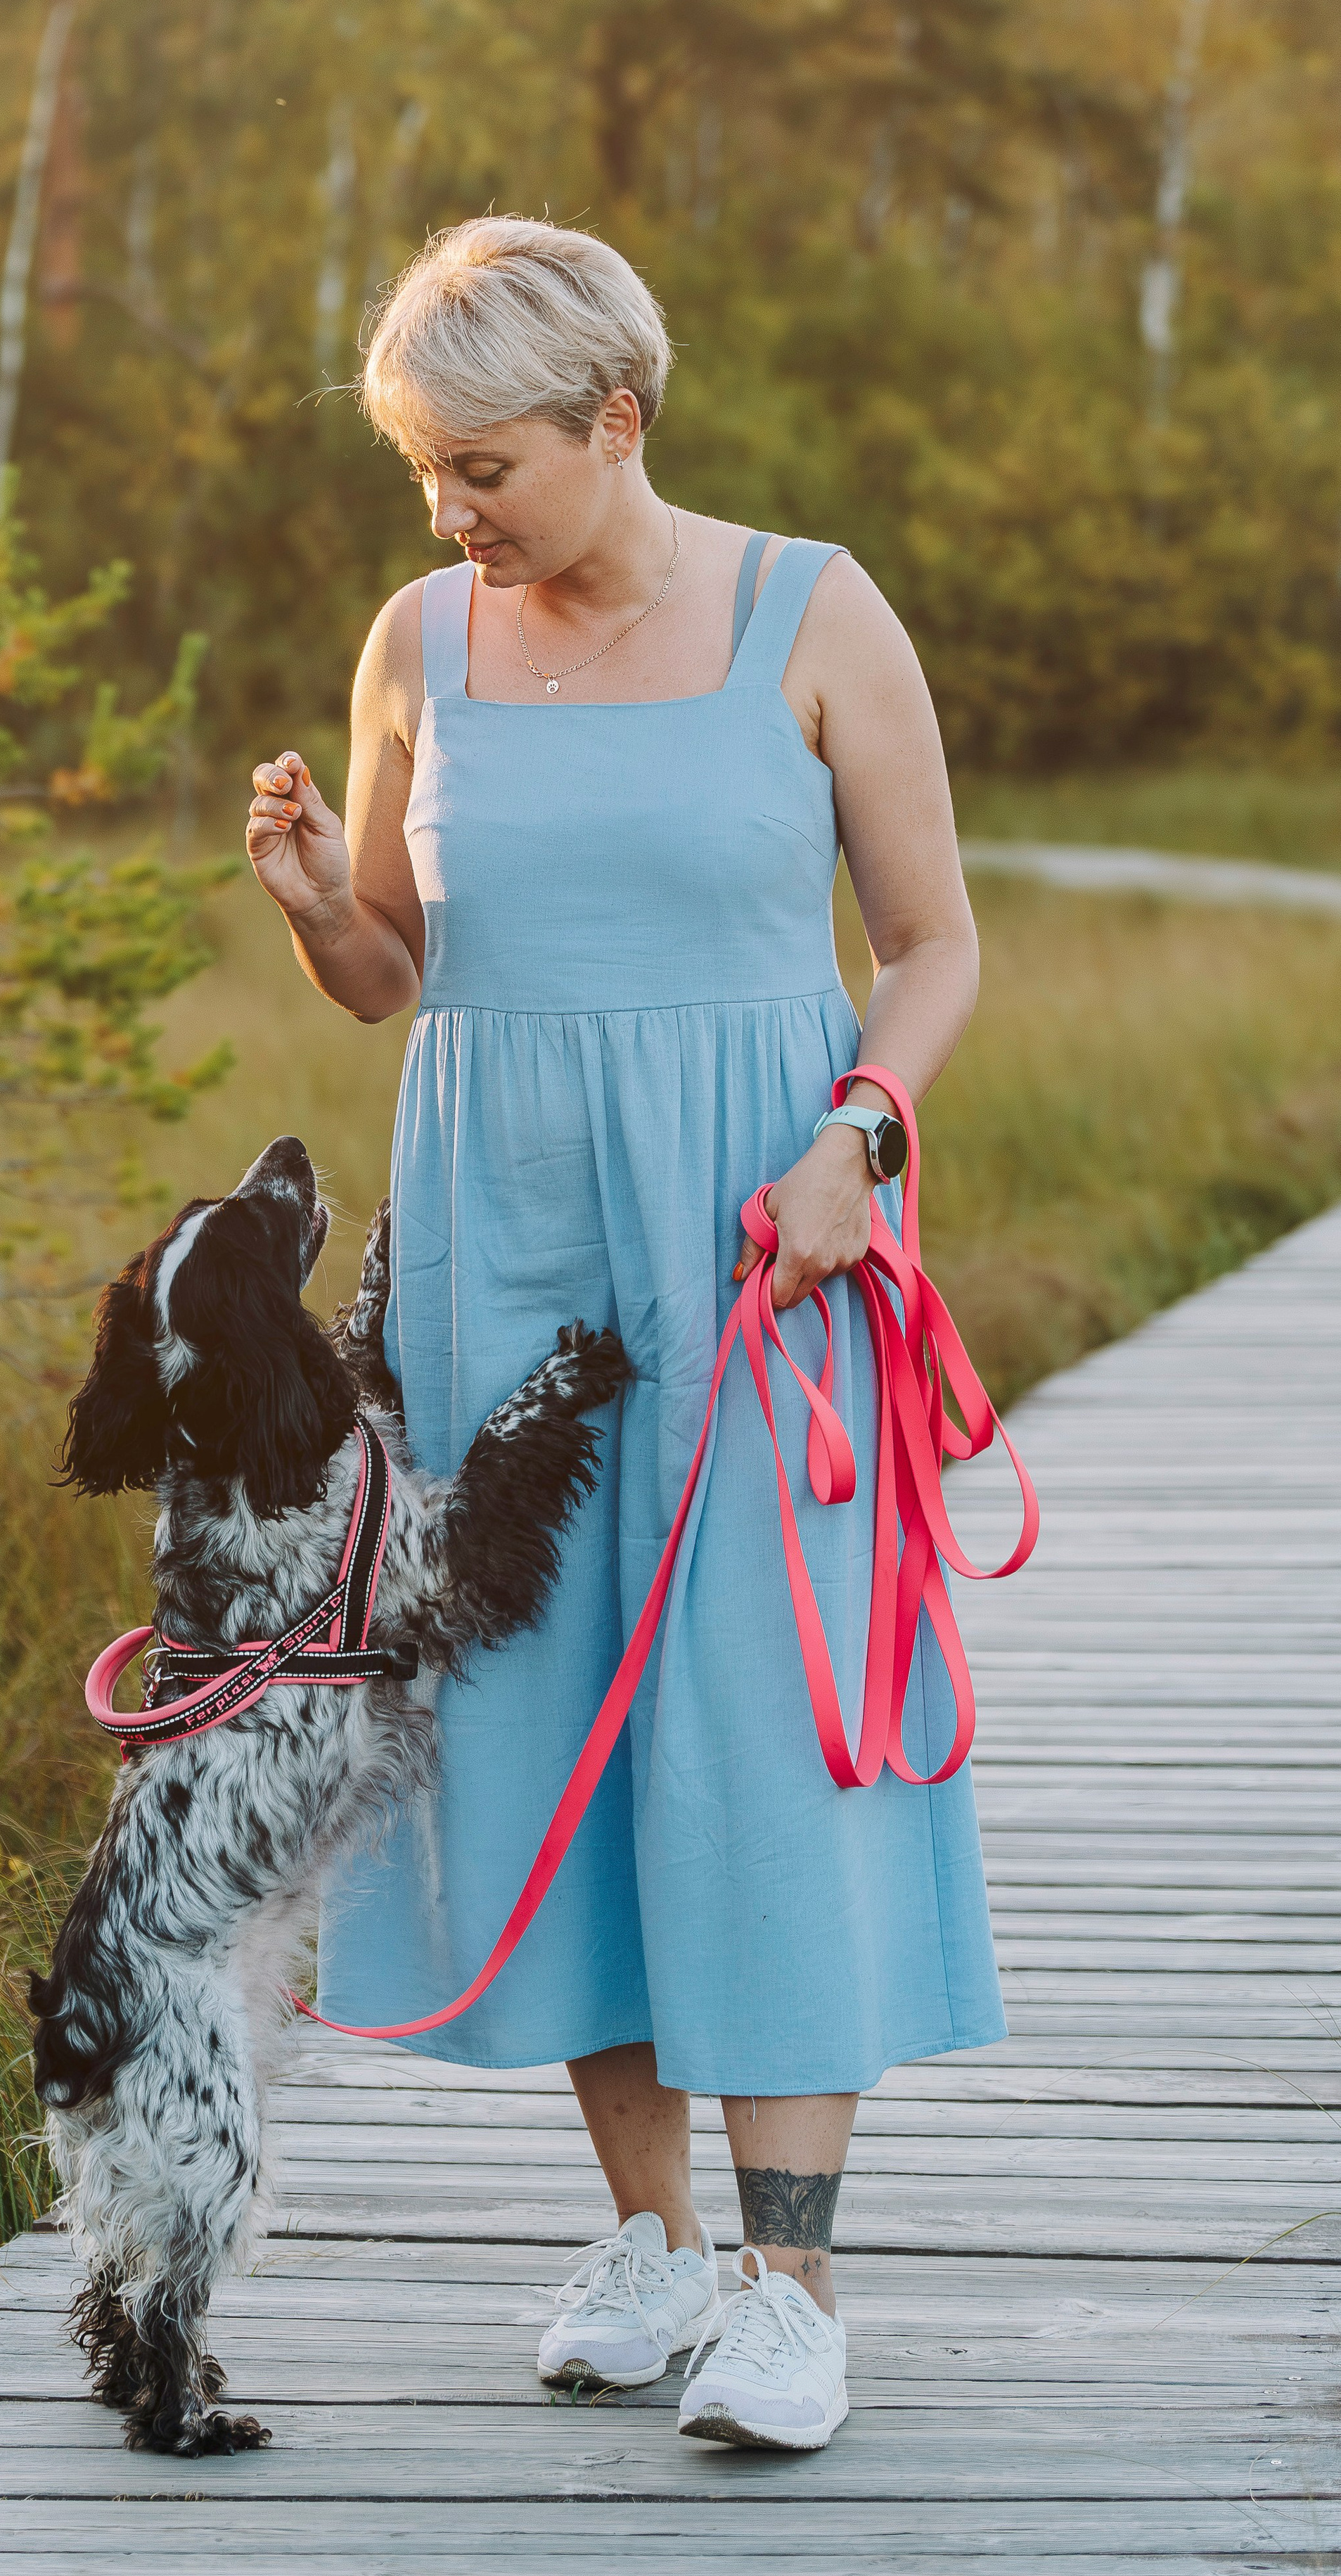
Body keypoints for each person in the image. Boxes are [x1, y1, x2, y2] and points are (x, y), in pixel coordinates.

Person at [244, 215, 1004, 2454]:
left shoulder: (812, 610)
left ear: (618, 419)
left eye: (481, 464)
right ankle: (657, 2247)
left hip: (761, 1254)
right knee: (555, 1720)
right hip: (500, 1252)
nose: (447, 511)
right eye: (421, 469)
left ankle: (795, 2283)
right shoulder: (420, 642)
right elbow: (399, 966)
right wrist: (315, 914)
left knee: (761, 1730)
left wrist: (860, 1134)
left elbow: (940, 944)